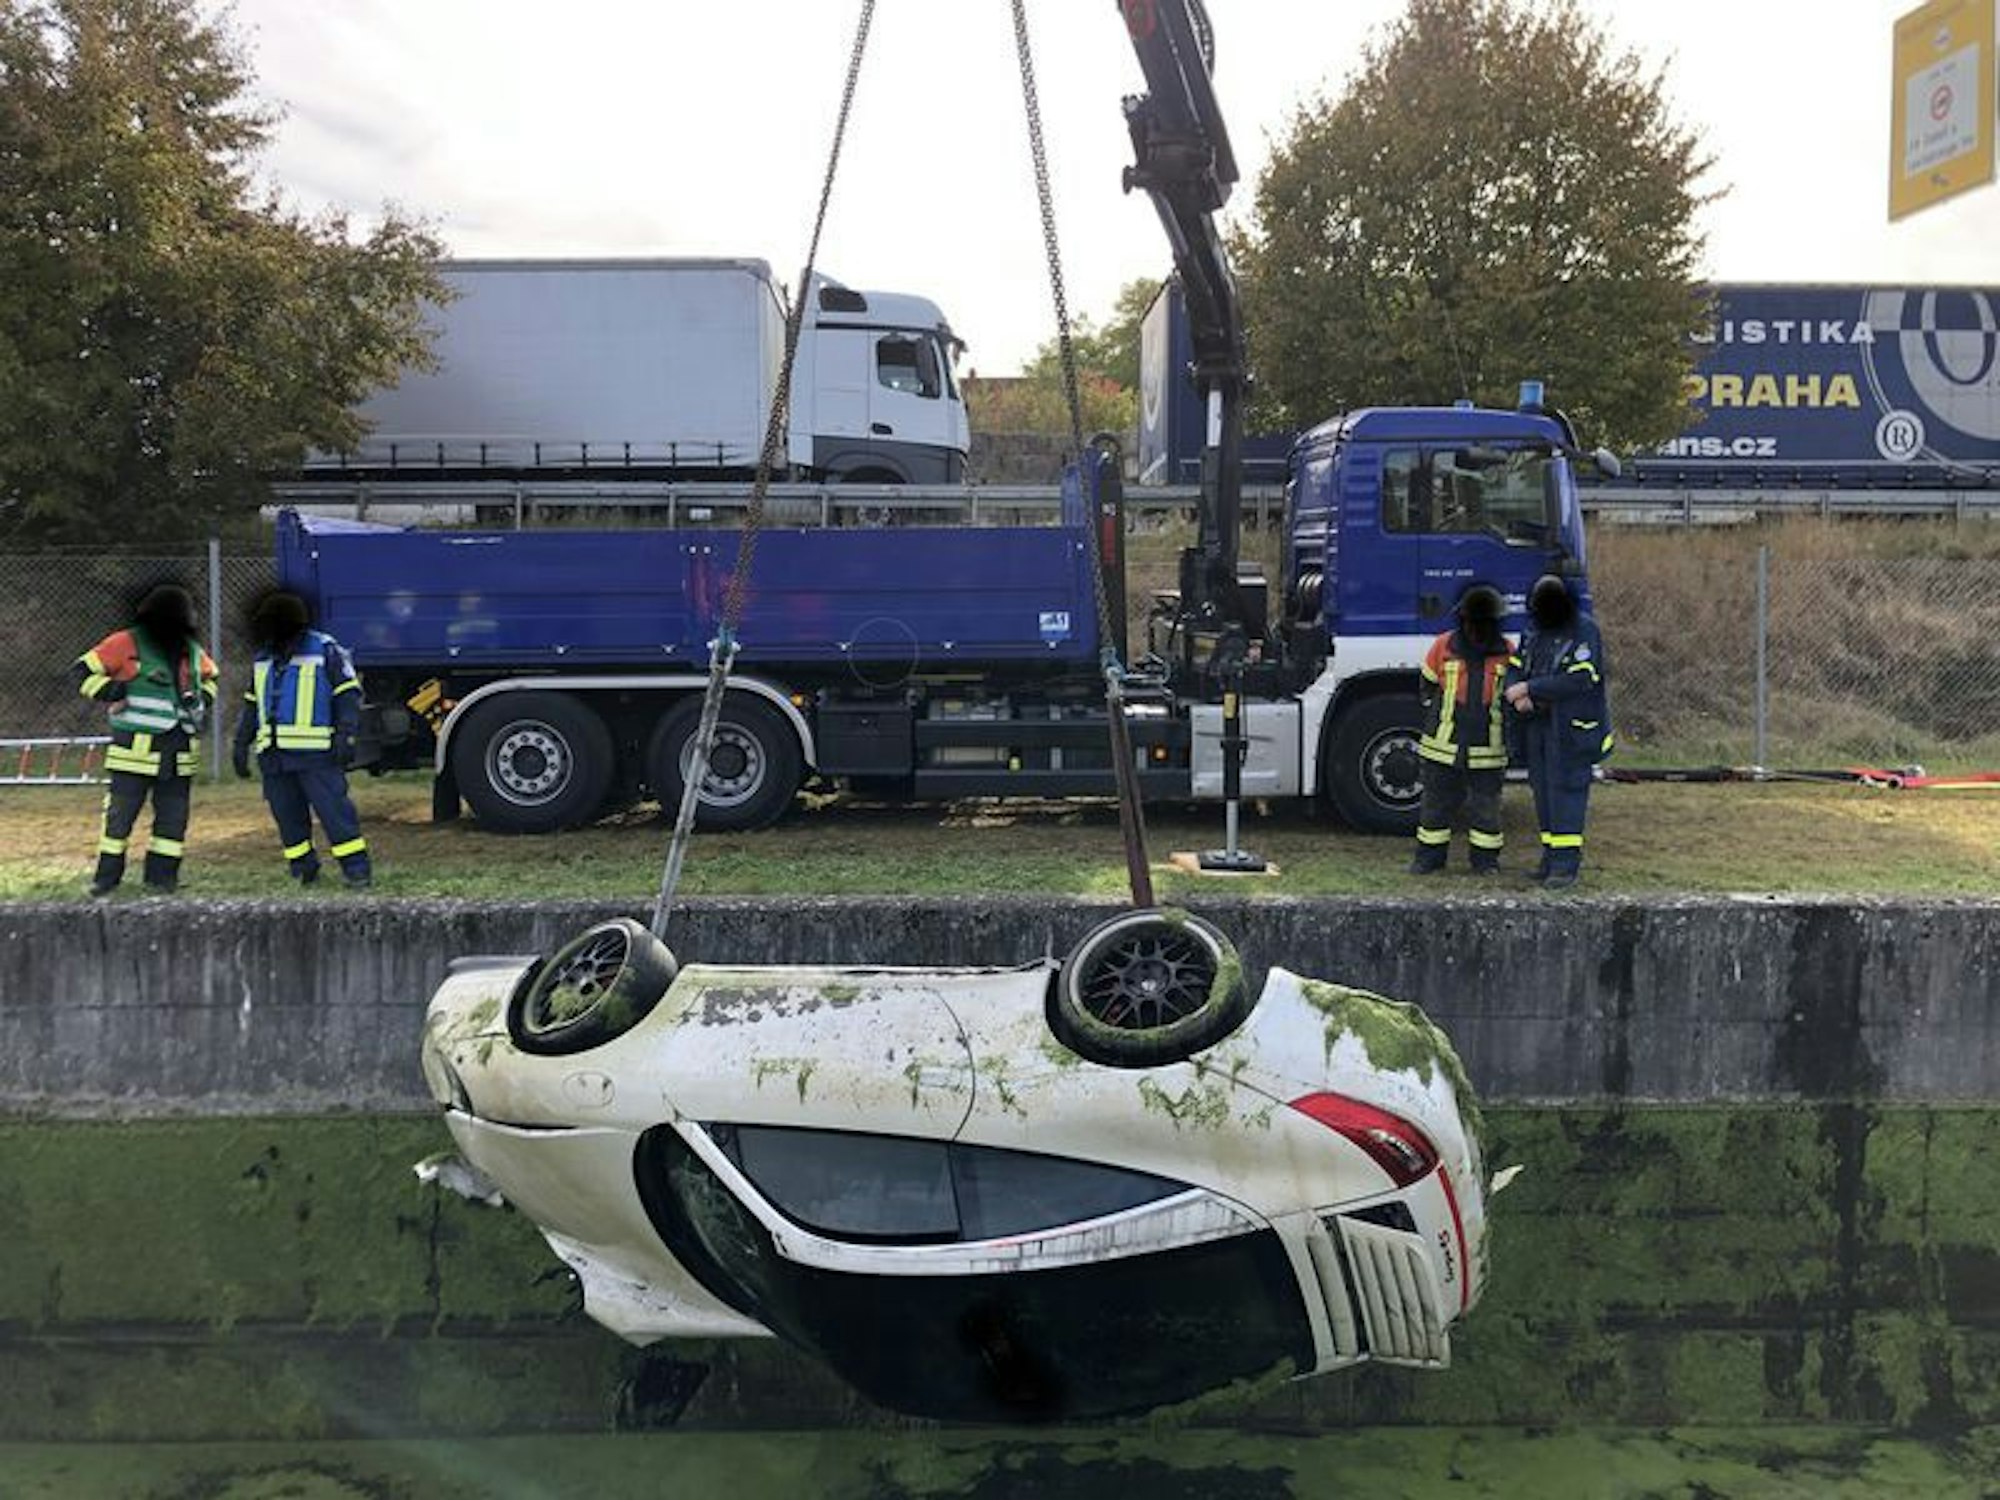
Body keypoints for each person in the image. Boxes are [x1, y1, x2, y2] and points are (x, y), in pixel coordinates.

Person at [73, 582, 219, 896]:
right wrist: (112, 690)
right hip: (133, 754)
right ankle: (106, 879)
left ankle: (162, 880)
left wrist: (202, 699)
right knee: (118, 821)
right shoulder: (124, 642)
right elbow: (82, 671)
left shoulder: (191, 651)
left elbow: (211, 679)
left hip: (179, 754)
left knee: (172, 823)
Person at [232, 589, 372, 888]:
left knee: (335, 813)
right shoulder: (264, 658)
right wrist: (240, 743)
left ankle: (357, 871)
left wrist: (345, 734)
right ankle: (303, 869)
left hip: (316, 755)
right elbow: (251, 702)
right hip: (274, 755)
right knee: (287, 816)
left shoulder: (325, 649)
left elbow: (347, 694)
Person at [1504, 574, 1613, 890]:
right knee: (1543, 793)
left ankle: (1566, 866)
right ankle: (1550, 857)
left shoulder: (1583, 630)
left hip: (1571, 728)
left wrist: (1530, 689)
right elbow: (1515, 665)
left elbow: (1581, 678)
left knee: (1567, 792)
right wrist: (1516, 691)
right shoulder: (1534, 630)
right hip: (1537, 726)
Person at [1409, 584, 1512, 877]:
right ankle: (1429, 859)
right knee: (1435, 805)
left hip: (1487, 750)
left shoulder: (1507, 652)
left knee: (1486, 809)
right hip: (1443, 745)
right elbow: (1426, 686)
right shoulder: (1443, 646)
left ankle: (1485, 862)